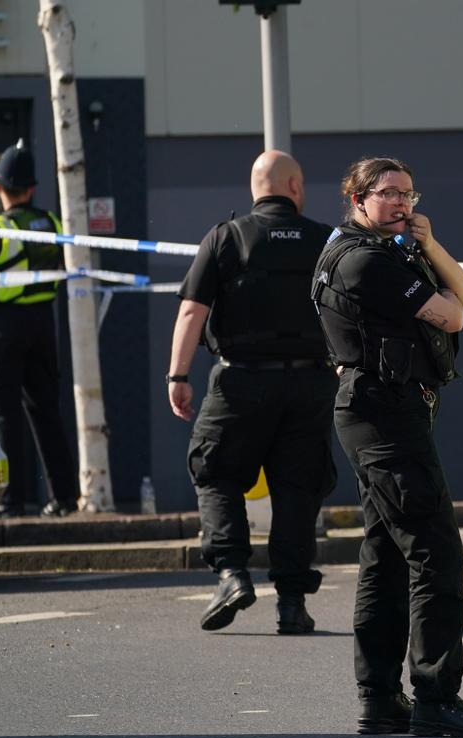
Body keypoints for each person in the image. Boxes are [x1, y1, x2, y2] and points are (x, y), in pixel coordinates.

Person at [312, 157, 463, 738]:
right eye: (388, 194)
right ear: (358, 198)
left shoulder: (386, 249)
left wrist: (430, 241)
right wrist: (428, 266)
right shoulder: (365, 259)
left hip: (386, 408)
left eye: (408, 193)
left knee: (387, 555)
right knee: (434, 550)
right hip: (383, 411)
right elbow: (453, 313)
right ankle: (435, 696)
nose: (402, 204)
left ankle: (379, 698)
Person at [168, 150, 337, 635]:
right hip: (311, 383)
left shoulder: (227, 237)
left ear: (255, 189)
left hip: (240, 380)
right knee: (297, 489)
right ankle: (291, 604)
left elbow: (190, 313)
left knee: (215, 472)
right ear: (296, 187)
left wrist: (177, 378)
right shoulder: (325, 241)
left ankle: (231, 574)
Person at [0, 139, 79, 518]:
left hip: (5, 330)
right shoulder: (52, 224)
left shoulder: (0, 229)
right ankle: (63, 497)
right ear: (31, 188)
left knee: (5, 415)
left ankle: (9, 499)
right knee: (47, 411)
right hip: (44, 326)